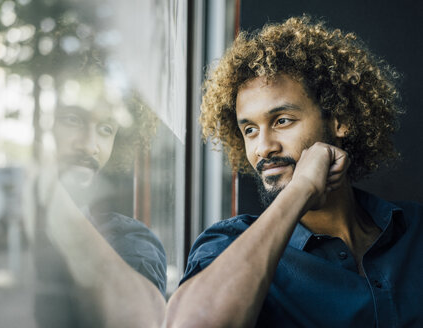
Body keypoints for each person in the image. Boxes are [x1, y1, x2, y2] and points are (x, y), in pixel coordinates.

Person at [165, 16, 423, 327]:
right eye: (249, 130)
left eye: (282, 120)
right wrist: (301, 189)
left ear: (340, 120)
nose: (263, 147)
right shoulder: (228, 245)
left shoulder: (415, 231)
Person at [25, 76, 167, 327]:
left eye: (106, 129)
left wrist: (50, 189)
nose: (90, 146)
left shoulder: (129, 241)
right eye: (72, 120)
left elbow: (144, 319)